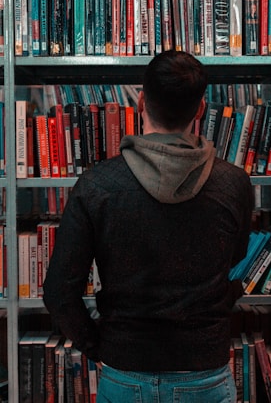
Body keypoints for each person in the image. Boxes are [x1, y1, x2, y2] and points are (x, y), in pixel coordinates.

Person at [43, 50, 254, 403]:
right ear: (200, 110)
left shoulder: (98, 185)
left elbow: (59, 292)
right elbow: (235, 257)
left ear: (140, 102)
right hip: (204, 369)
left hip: (125, 368)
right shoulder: (234, 184)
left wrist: (99, 345)